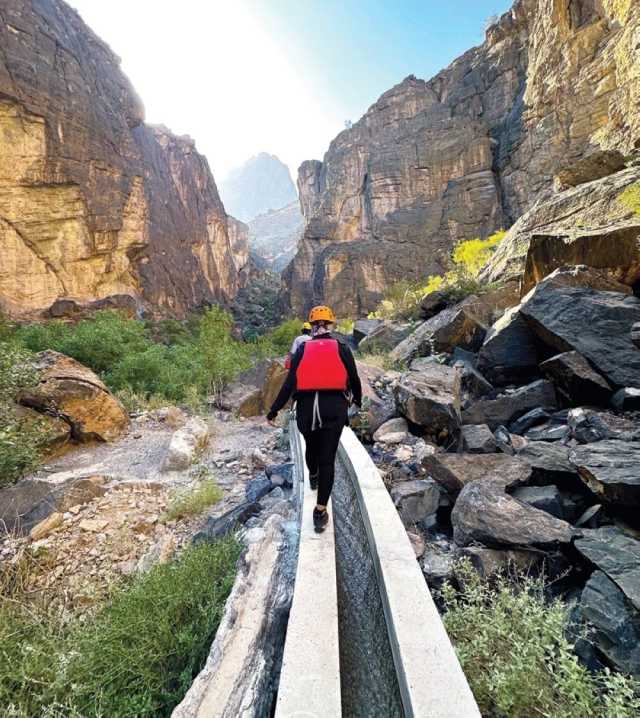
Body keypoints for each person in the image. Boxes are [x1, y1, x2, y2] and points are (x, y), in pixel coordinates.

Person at [267, 305, 362, 532]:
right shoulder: (342, 348)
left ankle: (313, 475)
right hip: (334, 407)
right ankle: (320, 512)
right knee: (328, 458)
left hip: (307, 409)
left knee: (311, 446)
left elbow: (290, 384)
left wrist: (274, 410)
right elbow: (354, 378)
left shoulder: (302, 349)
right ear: (330, 325)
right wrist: (357, 401)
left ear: (310, 326)